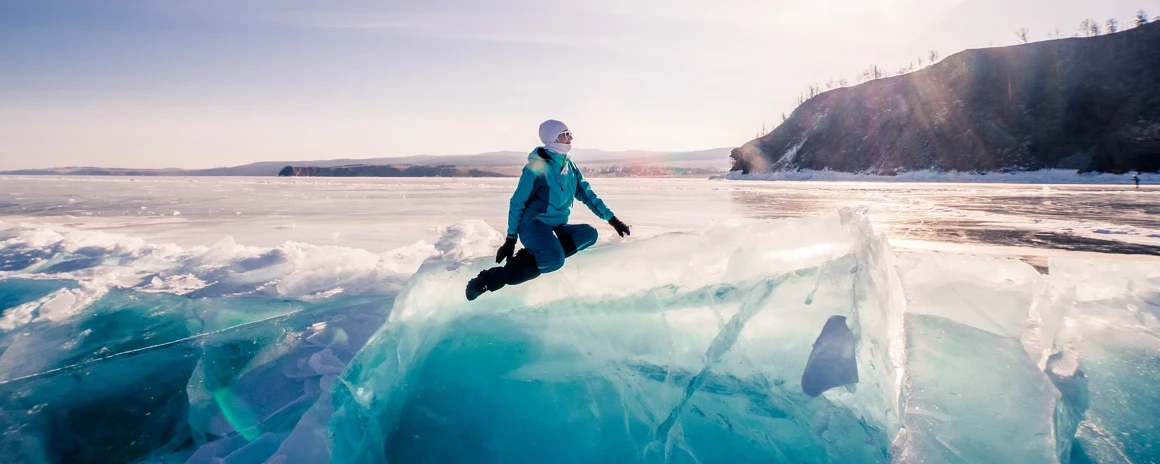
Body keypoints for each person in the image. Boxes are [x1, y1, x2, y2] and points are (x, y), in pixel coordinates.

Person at [466, 120, 631, 301]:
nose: (571, 138)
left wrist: (612, 219)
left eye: (570, 133)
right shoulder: (536, 167)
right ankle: (490, 279)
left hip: (556, 224)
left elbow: (587, 194)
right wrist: (511, 239)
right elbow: (516, 202)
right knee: (554, 260)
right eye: (566, 134)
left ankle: (532, 255)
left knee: (589, 234)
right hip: (534, 224)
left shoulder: (570, 165)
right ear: (553, 137)